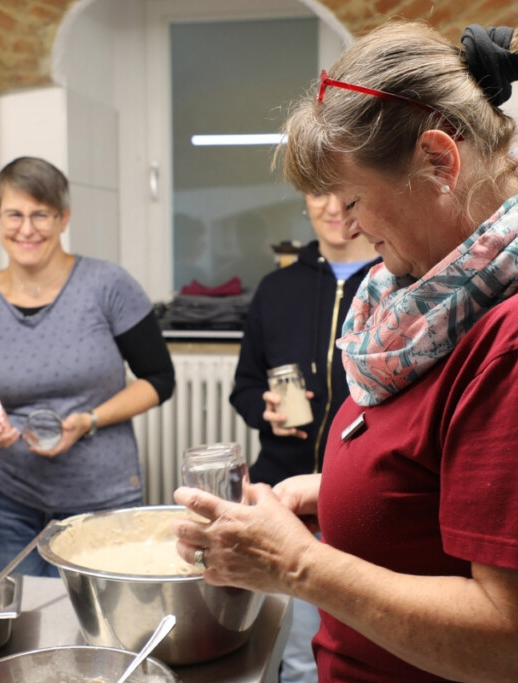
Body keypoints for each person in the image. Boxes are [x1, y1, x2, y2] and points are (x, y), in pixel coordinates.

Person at [173, 13, 518, 683]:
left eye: (355, 199)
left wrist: (297, 565)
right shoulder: (457, 299)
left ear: (438, 161)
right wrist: (341, 491)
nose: (351, 226)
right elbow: (450, 475)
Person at [0, 156, 175, 577]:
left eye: (40, 215)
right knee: (23, 628)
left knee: (97, 631)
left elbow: (159, 380)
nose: (26, 229)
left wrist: (90, 419)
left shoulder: (108, 286)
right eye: (14, 214)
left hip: (104, 503)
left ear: (63, 218)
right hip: (3, 504)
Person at [229, 191, 379, 682]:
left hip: (359, 498)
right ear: (304, 200)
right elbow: (245, 387)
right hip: (280, 493)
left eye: (346, 190)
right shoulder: (276, 288)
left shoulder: (399, 283)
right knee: (286, 652)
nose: (334, 206)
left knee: (344, 651)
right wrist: (265, 411)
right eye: (320, 192)